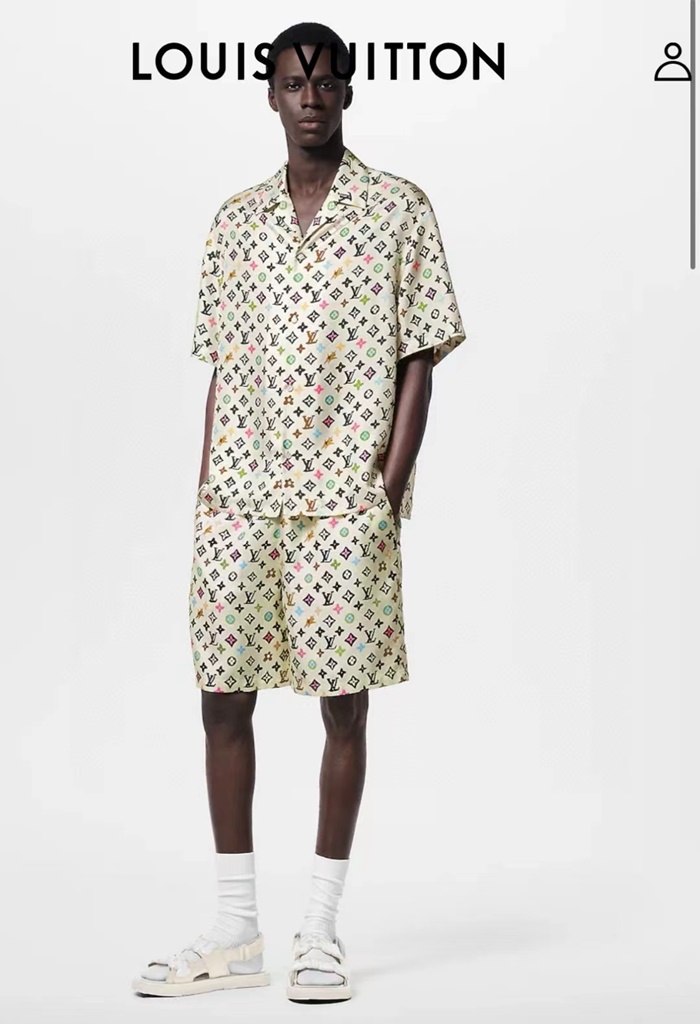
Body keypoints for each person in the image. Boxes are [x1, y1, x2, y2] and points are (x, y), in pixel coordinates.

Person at [132, 20, 465, 1003]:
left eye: (324, 81)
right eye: (291, 81)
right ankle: (236, 929)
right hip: (239, 496)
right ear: (271, 95)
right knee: (220, 697)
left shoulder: (398, 209)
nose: (309, 96)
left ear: (349, 91)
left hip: (342, 504)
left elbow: (420, 358)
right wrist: (206, 492)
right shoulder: (235, 221)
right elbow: (222, 365)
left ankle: (319, 931)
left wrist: (385, 491)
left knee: (342, 702)